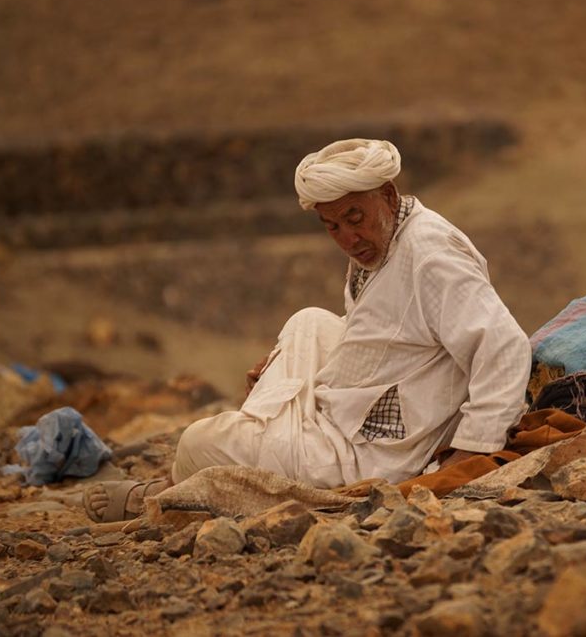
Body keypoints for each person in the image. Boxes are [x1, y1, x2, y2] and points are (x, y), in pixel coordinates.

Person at [84, 138, 531, 522]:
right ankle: (265, 424)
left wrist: (472, 449)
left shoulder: (431, 256)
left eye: (355, 217)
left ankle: (171, 490)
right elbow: (386, 329)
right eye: (332, 225)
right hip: (366, 397)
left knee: (199, 441)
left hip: (371, 453)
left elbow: (505, 345)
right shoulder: (387, 240)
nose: (347, 238)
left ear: (388, 196)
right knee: (310, 322)